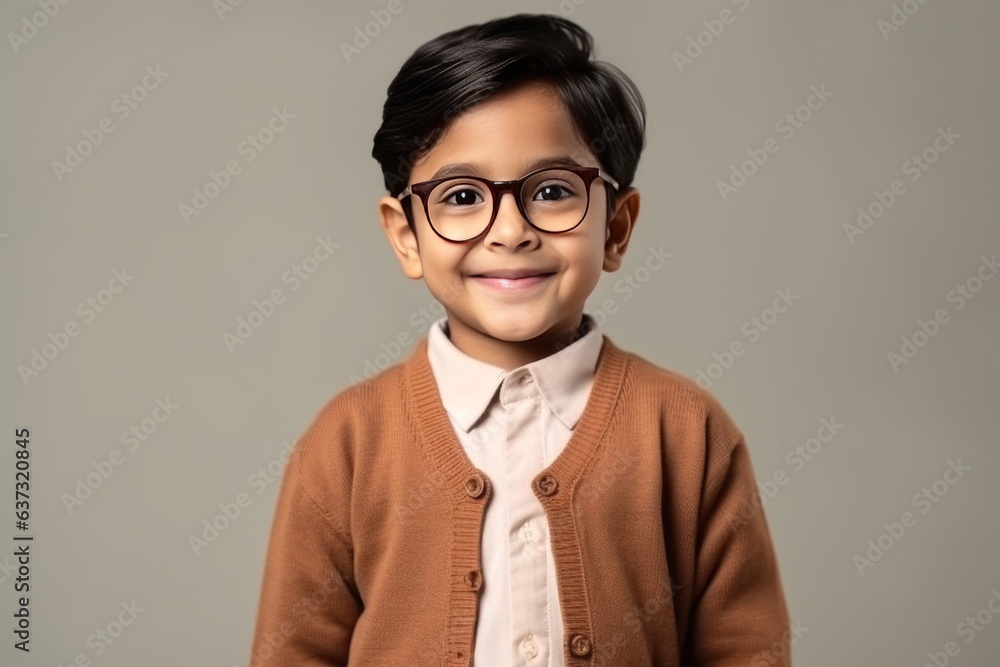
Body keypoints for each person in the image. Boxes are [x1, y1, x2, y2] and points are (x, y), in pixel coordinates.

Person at [249, 12, 791, 666]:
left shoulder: (685, 430)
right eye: (461, 196)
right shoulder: (346, 442)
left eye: (554, 190)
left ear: (616, 227)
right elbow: (294, 651)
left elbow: (745, 648)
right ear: (405, 235)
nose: (509, 230)